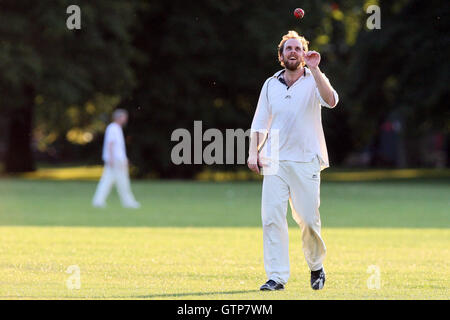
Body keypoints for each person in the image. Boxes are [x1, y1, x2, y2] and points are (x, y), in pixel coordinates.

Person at [247, 31, 339, 291]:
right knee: (272, 218)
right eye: (288, 48)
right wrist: (253, 152)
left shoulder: (314, 79)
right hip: (274, 160)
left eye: (298, 48)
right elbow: (259, 122)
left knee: (308, 220)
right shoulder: (270, 84)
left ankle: (316, 266)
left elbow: (331, 101)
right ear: (281, 55)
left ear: (304, 54)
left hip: (306, 159)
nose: (293, 52)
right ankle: (276, 276)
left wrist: (316, 69)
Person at [92, 109, 140, 209]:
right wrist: (111, 158)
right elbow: (111, 144)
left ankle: (98, 201)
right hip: (115, 160)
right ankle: (128, 202)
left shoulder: (116, 128)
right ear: (119, 117)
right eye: (124, 117)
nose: (125, 119)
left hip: (116, 159)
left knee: (107, 180)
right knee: (122, 181)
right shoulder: (113, 128)